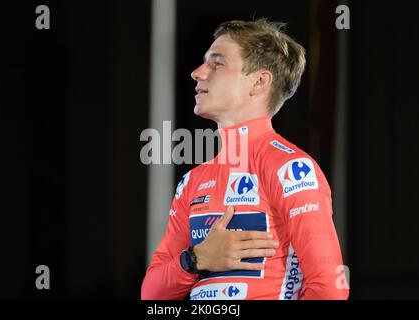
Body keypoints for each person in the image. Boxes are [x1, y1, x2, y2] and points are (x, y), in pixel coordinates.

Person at [141, 18, 349, 300]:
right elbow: (152, 294)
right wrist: (196, 259)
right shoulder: (192, 182)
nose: (197, 73)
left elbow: (329, 289)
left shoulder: (291, 170)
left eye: (217, 63)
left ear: (259, 81)